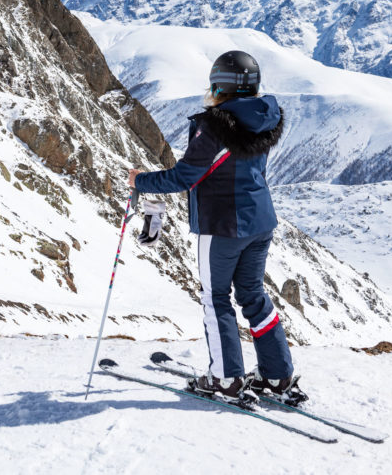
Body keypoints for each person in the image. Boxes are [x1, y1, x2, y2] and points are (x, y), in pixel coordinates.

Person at [128, 50, 306, 404]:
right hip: (260, 221)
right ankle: (277, 376)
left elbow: (185, 175)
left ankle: (225, 380)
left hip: (222, 224)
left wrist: (141, 180)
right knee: (253, 297)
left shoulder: (215, 127)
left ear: (221, 86)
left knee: (216, 298)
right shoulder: (264, 119)